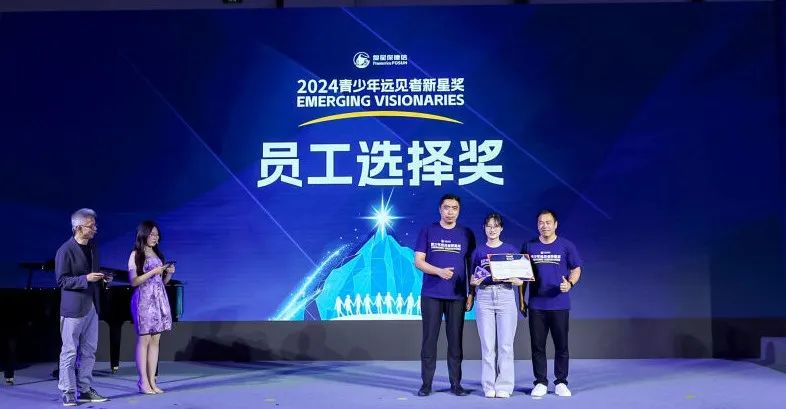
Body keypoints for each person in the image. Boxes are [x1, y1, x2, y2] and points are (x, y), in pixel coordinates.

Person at [414, 193, 475, 397]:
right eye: (447, 207)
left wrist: (471, 293)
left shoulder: (466, 233)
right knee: (429, 340)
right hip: (431, 294)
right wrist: (439, 272)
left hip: (457, 296)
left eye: (454, 208)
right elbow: (418, 261)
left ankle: (456, 384)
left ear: (459, 210)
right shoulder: (428, 230)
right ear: (440, 209)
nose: (450, 211)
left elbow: (472, 266)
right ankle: (426, 384)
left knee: (455, 342)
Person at [520, 209, 582, 398]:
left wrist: (570, 284)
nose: (544, 226)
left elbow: (576, 268)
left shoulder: (566, 245)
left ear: (555, 224)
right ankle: (540, 381)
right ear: (537, 225)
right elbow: (522, 275)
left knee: (561, 346)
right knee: (537, 346)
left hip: (559, 305)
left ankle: (561, 382)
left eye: (548, 222)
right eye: (541, 222)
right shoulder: (529, 246)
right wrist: (521, 300)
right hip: (537, 305)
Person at [55, 208, 110, 406]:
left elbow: (92, 276)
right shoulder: (65, 250)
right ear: (78, 228)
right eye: (90, 226)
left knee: (89, 351)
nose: (95, 229)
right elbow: (62, 281)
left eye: (94, 225)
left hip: (91, 306)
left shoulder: (93, 248)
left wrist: (102, 279)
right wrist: (85, 279)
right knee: (69, 352)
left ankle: (85, 389)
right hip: (73, 309)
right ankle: (68, 391)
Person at [468, 213, 523, 398]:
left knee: (506, 345)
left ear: (501, 229)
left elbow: (521, 278)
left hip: (505, 295)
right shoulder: (478, 251)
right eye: (489, 226)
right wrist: (473, 283)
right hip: (484, 297)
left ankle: (504, 386)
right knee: (487, 346)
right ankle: (489, 386)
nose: (492, 230)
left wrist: (517, 280)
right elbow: (472, 277)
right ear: (484, 228)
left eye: (496, 226)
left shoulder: (510, 249)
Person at [128, 221, 174, 394]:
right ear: (144, 234)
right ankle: (143, 382)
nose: (156, 237)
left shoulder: (157, 254)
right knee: (145, 340)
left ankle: (152, 381)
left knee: (156, 341)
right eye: (152, 234)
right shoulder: (136, 254)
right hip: (144, 300)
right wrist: (153, 272)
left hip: (158, 300)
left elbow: (160, 283)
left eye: (157, 234)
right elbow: (134, 281)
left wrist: (169, 274)